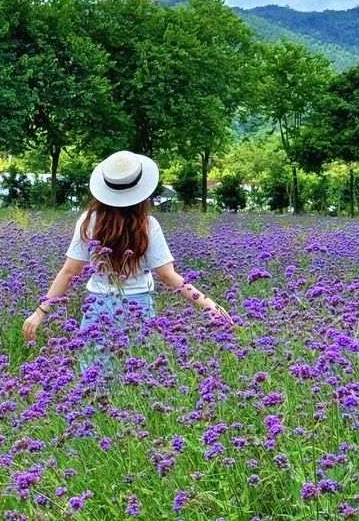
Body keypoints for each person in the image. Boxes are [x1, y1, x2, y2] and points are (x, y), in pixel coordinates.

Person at [22, 151, 235, 370]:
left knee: (94, 386)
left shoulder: (88, 222)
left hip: (97, 309)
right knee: (136, 380)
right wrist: (208, 304)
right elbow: (168, 276)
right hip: (139, 310)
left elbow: (69, 272)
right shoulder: (147, 225)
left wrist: (40, 313)